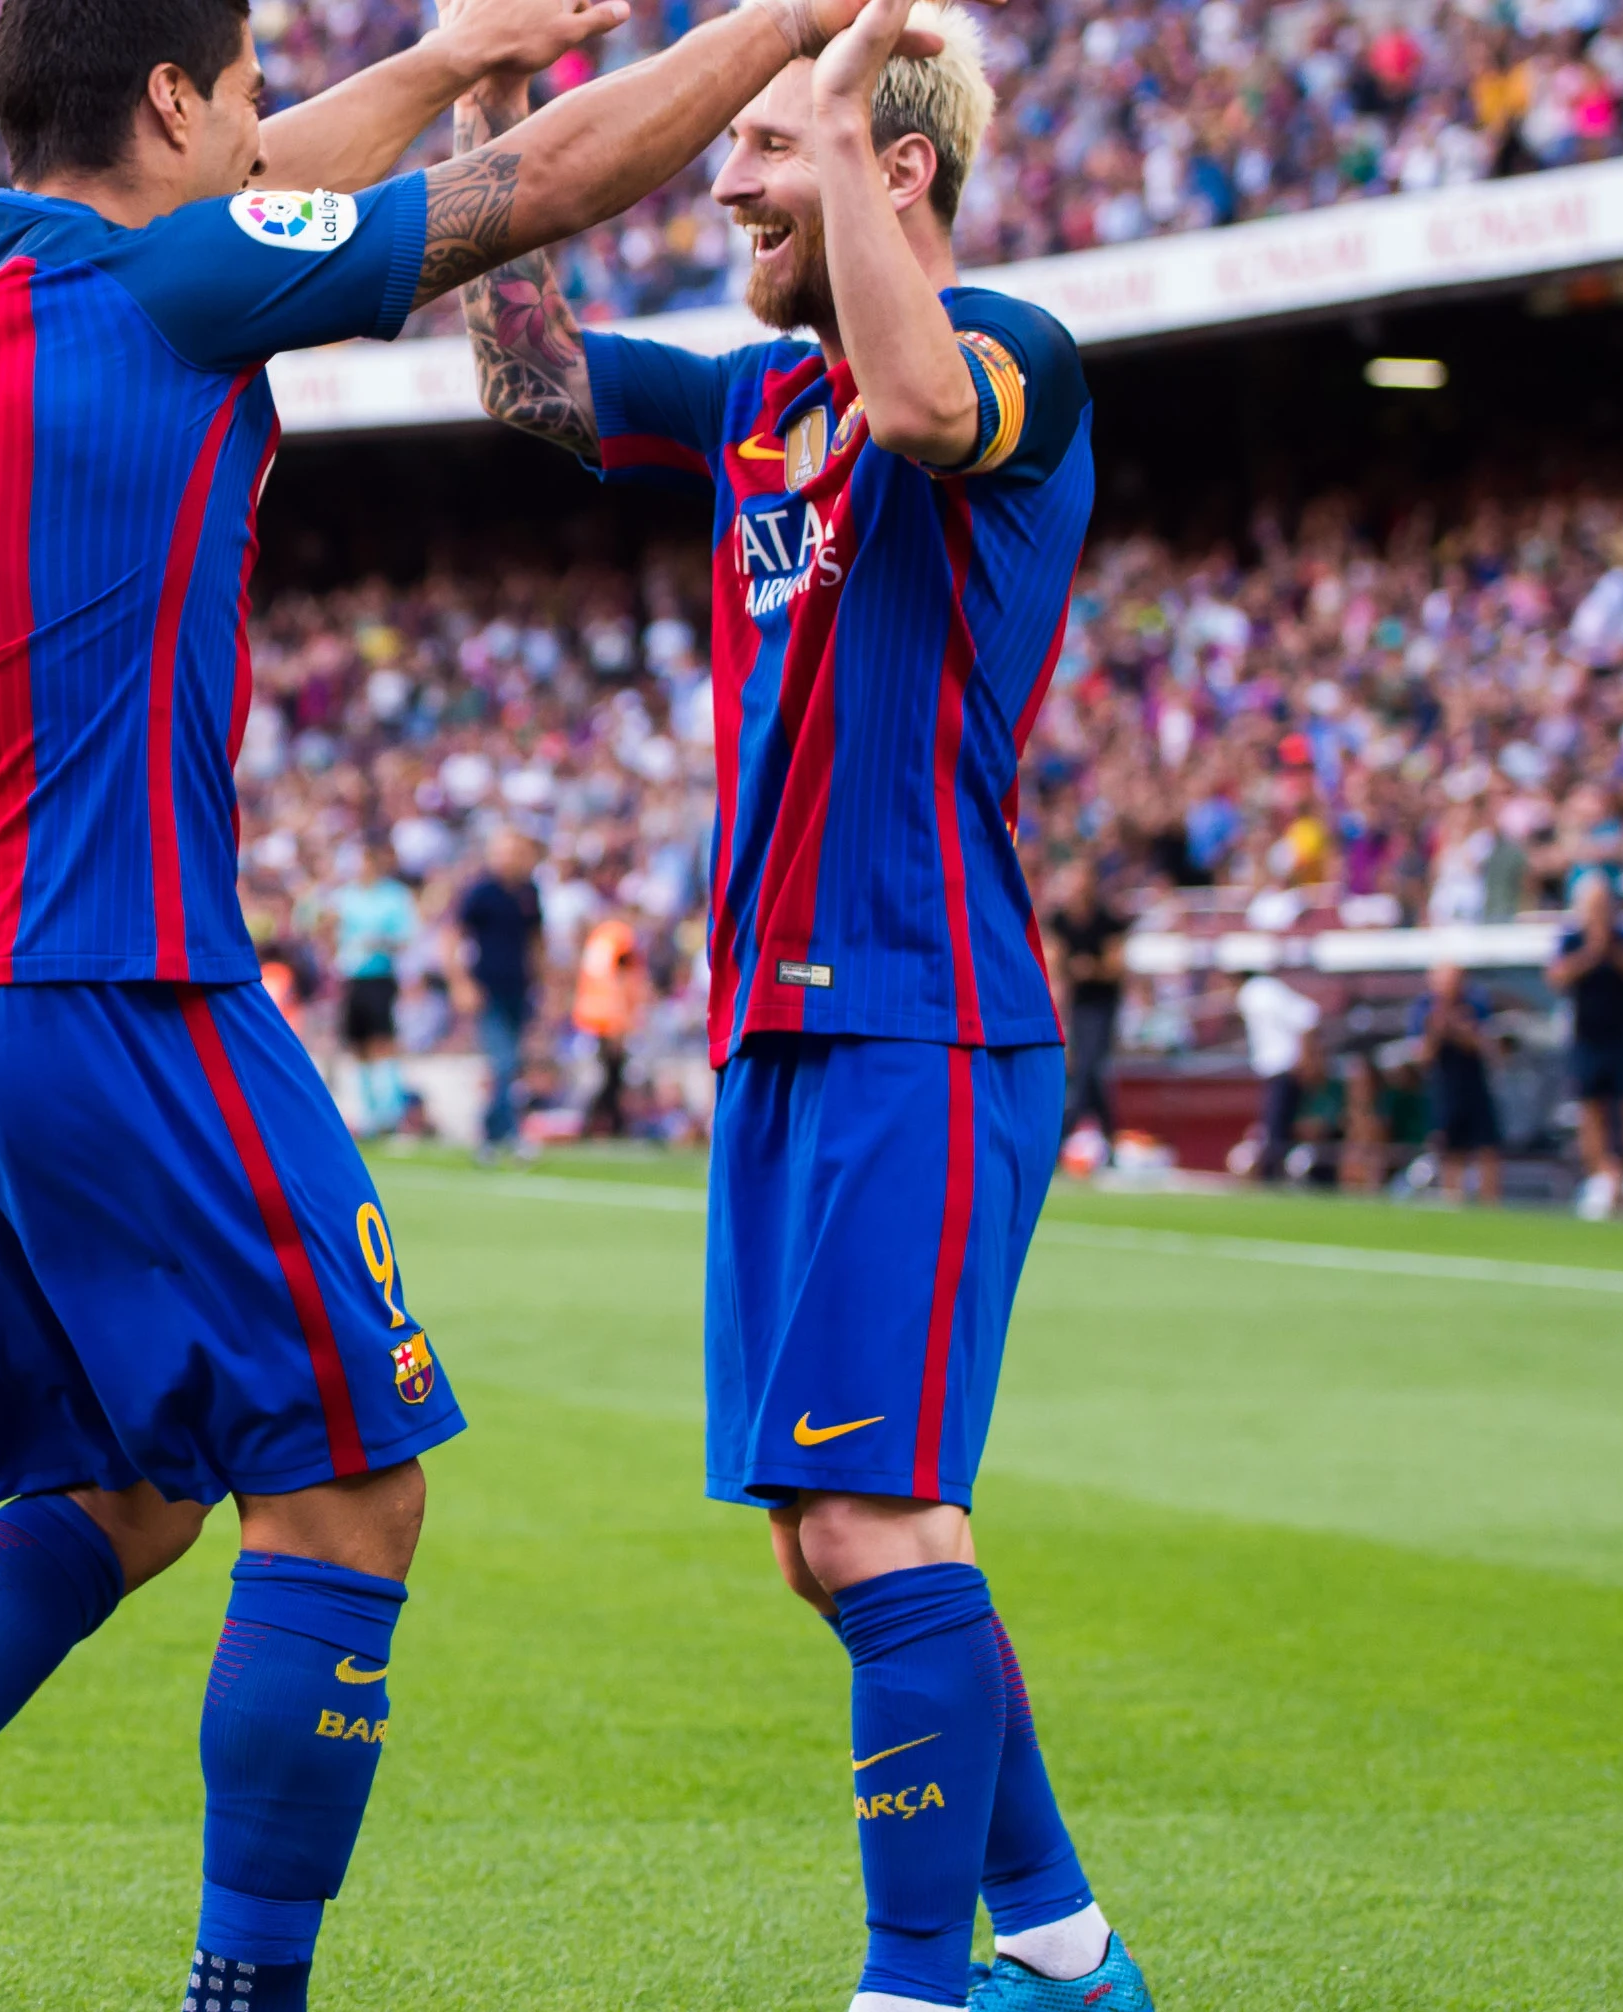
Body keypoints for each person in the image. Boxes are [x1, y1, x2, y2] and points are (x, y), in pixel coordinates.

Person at [0, 0, 932, 2003]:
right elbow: (540, 187)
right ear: (171, 97)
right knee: (349, 1487)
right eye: (245, 86)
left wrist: (448, 52)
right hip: (120, 979)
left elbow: (274, 191)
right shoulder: (178, 281)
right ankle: (241, 1997)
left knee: (121, 1486)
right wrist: (783, 18)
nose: (267, 125)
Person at [462, 9, 1150, 2007]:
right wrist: (507, 111)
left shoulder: (1012, 353)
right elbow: (535, 386)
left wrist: (836, 112)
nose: (731, 180)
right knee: (824, 1534)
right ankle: (1065, 1945)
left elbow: (929, 412)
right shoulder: (759, 401)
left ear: (893, 163)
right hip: (787, 1034)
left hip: (926, 1020)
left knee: (876, 1518)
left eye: (767, 146)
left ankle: (914, 1989)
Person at [1547, 874, 1623, 1222]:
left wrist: (1608, 947)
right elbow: (1557, 977)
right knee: (1591, 1110)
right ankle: (1599, 1180)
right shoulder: (1571, 940)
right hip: (1588, 1036)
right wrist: (1590, 954)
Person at [455, 828, 544, 1163]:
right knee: (502, 1061)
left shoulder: (528, 893)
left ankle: (493, 1136)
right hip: (488, 989)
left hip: (519, 988)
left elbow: (537, 942)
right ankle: (505, 1134)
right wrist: (461, 981)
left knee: (511, 1065)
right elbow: (453, 935)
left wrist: (544, 984)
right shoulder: (482, 892)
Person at [327, 844, 418, 1136]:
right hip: (352, 976)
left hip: (379, 975)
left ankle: (389, 1115)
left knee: (382, 1042)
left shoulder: (393, 897)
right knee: (358, 1045)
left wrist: (378, 941)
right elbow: (329, 932)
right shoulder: (345, 896)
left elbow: (405, 938)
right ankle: (367, 1116)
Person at [1043, 860, 1125, 1154]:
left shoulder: (1106, 920)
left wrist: (1092, 970)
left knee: (1090, 1067)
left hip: (1100, 1003)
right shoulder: (1060, 921)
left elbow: (1116, 966)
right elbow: (1054, 962)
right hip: (1074, 1002)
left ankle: (1064, 1135)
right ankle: (1109, 1136)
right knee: (1087, 1070)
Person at [1413, 964, 1502, 1205]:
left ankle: (1490, 1204)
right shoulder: (1425, 1008)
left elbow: (1487, 1049)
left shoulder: (1476, 1005)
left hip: (1475, 1087)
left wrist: (1463, 1030)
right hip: (1445, 1088)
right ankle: (1453, 1200)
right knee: (1451, 1151)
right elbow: (1422, 1057)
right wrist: (1438, 1027)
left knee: (1487, 1149)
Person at [1237, 970, 1322, 1185]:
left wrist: (1306, 1056)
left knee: (1278, 1127)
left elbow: (1306, 1014)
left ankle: (1272, 1176)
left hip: (1284, 1067)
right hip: (1281, 1067)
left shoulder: (1257, 992)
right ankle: (1275, 1174)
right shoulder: (1262, 990)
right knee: (1278, 1126)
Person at [573, 907, 641, 1138]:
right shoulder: (620, 936)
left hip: (590, 1014)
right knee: (611, 1075)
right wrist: (620, 1022)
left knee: (608, 1074)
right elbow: (619, 981)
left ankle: (606, 1123)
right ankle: (600, 1123)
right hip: (609, 1017)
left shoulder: (600, 939)